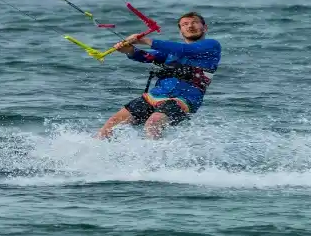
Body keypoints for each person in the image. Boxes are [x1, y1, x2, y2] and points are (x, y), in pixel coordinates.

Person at [94, 11, 221, 140]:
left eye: (195, 22)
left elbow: (185, 50)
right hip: (155, 96)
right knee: (111, 125)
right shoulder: (171, 52)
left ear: (205, 28)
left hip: (184, 100)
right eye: (185, 24)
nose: (190, 26)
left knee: (153, 124)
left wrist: (144, 40)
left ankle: (155, 153)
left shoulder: (211, 46)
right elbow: (148, 56)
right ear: (180, 31)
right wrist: (130, 50)